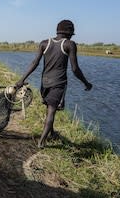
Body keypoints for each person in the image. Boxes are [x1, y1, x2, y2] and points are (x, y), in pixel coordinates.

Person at [15, 20, 93, 149]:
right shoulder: (70, 44)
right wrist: (86, 82)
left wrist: (21, 79)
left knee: (50, 108)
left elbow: (35, 63)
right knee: (51, 111)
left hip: (44, 83)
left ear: (58, 31)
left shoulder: (44, 43)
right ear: (69, 33)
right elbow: (75, 69)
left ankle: (51, 133)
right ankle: (42, 142)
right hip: (58, 83)